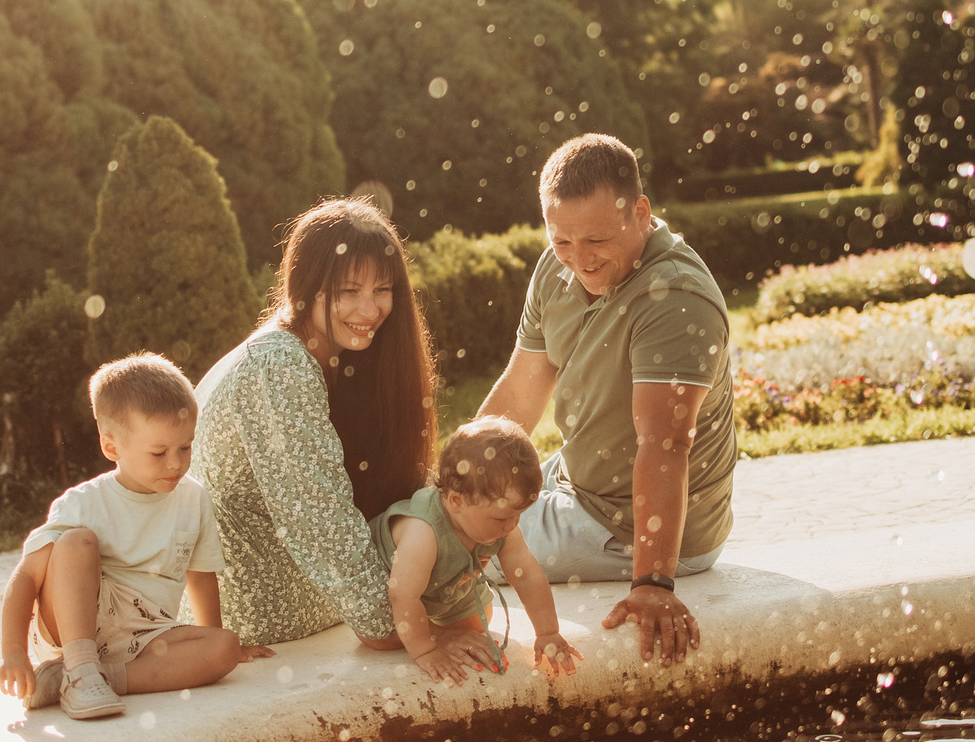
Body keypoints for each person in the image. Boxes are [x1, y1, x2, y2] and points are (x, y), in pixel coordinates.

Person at [191, 198, 495, 670]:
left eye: (383, 289)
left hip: (314, 594)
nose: (370, 309)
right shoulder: (276, 367)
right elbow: (319, 522)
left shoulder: (328, 353)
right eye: (349, 290)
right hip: (260, 612)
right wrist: (414, 632)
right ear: (307, 286)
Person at [478, 134, 736, 668]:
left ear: (640, 213)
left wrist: (653, 583)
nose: (579, 261)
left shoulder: (675, 298)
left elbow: (664, 447)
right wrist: (456, 477)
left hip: (640, 529)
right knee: (438, 508)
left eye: (596, 240)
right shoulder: (559, 268)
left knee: (463, 542)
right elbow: (519, 396)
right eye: (562, 241)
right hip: (580, 481)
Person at [0, 353, 269, 719]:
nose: (175, 463)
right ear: (112, 448)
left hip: (147, 635)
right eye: (159, 452)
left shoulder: (193, 497)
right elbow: (28, 576)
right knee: (77, 542)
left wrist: (206, 643)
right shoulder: (83, 503)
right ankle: (78, 668)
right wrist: (14, 653)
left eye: (185, 447)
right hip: (76, 622)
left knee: (225, 648)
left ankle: (99, 677)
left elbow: (201, 578)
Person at [371, 415, 581, 688]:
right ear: (456, 501)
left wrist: (548, 632)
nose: (511, 525)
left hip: (447, 584)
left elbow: (526, 575)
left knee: (478, 623)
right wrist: (426, 650)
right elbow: (402, 595)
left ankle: (439, 625)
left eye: (518, 515)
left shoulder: (499, 522)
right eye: (501, 518)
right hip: (389, 592)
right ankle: (420, 634)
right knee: (379, 637)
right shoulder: (422, 534)